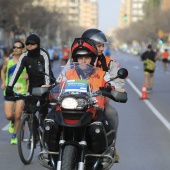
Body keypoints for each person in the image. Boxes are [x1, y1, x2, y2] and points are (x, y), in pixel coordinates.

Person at [45, 38, 116, 157]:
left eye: (86, 57)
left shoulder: (101, 74)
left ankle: (107, 152)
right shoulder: (67, 74)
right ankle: (50, 151)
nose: (83, 61)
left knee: (104, 123)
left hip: (92, 110)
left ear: (92, 58)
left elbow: (111, 85)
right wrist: (49, 87)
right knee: (50, 121)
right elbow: (58, 85)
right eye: (80, 58)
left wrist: (114, 89)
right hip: (68, 108)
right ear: (75, 59)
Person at [81, 28, 125, 162]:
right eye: (99, 45)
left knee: (112, 113)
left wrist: (115, 89)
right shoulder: (77, 58)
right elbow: (64, 75)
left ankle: (110, 148)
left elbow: (118, 81)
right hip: (74, 100)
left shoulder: (107, 61)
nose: (102, 48)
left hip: (97, 100)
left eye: (102, 46)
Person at [5, 33, 56, 132]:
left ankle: (46, 132)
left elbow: (47, 70)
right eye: (27, 44)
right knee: (28, 110)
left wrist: (47, 86)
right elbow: (17, 71)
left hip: (45, 85)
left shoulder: (43, 54)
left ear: (38, 45)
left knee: (43, 112)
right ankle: (35, 133)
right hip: (32, 86)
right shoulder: (24, 56)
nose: (29, 46)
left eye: (32, 44)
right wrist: (9, 87)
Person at [1, 40, 28, 144]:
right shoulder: (8, 60)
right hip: (9, 91)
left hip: (22, 91)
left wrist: (28, 76)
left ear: (23, 49)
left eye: (18, 47)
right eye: (14, 47)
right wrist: (3, 82)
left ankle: (14, 135)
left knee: (18, 115)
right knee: (9, 115)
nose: (16, 49)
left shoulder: (26, 61)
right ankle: (12, 122)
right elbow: (2, 71)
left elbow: (31, 73)